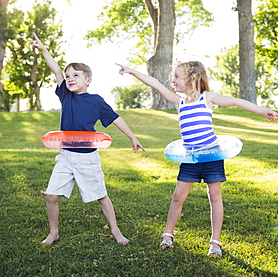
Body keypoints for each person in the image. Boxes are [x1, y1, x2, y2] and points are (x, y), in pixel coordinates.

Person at [116, 61, 278, 256]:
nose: (172, 80)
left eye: (176, 76)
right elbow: (156, 84)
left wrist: (263, 111)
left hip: (211, 156)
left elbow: (235, 101)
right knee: (178, 197)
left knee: (215, 196)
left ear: (191, 78)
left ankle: (215, 242)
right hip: (190, 158)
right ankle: (168, 234)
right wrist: (132, 71)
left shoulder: (206, 98)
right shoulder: (178, 101)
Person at [32, 33, 144, 245]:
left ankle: (116, 231)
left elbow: (116, 118)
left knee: (101, 196)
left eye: (76, 75)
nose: (70, 79)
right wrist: (44, 50)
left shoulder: (96, 101)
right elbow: (56, 70)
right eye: (68, 76)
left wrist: (133, 137)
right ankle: (53, 233)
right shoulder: (66, 94)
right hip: (65, 155)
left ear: (88, 80)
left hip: (87, 158)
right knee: (51, 196)